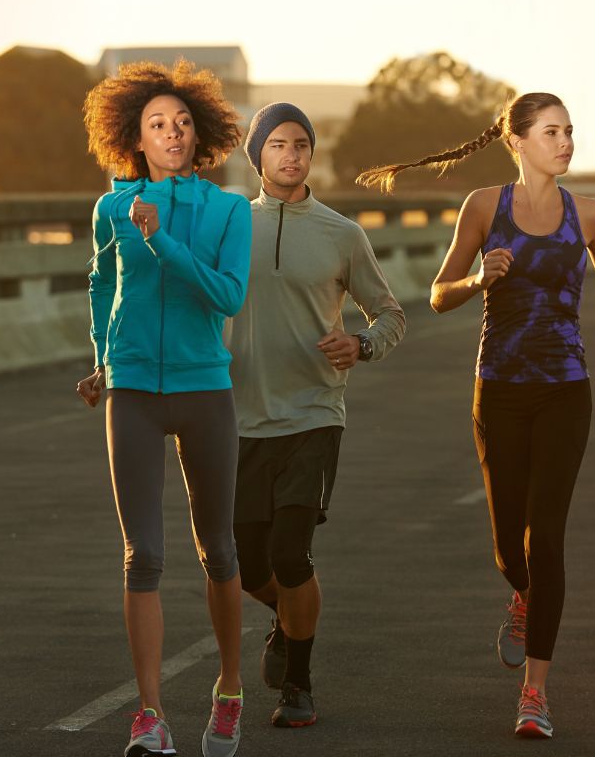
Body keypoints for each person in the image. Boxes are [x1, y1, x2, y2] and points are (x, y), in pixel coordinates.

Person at [358, 92, 595, 739]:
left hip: (566, 390)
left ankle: (535, 692)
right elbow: (437, 294)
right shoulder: (485, 207)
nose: (565, 142)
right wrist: (480, 280)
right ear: (518, 141)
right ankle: (522, 593)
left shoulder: (589, 214)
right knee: (511, 547)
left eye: (569, 131)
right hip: (499, 391)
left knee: (547, 538)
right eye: (552, 132)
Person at [76, 60, 252, 757]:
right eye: (157, 124)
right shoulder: (110, 209)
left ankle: (229, 688)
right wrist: (101, 358)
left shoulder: (228, 210)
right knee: (143, 554)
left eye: (182, 122)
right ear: (136, 139)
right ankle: (149, 714)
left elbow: (227, 295)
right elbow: (102, 283)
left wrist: (162, 241)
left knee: (219, 549)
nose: (172, 133)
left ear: (199, 134)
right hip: (132, 394)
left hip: (204, 388)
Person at [228, 102, 406, 728]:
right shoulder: (229, 227)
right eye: (278, 144)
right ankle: (286, 618)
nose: (291, 154)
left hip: (314, 414)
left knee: (290, 553)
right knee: (247, 565)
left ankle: (298, 684)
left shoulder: (341, 233)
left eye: (301, 144)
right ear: (257, 155)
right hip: (239, 420)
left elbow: (390, 313)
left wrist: (361, 344)